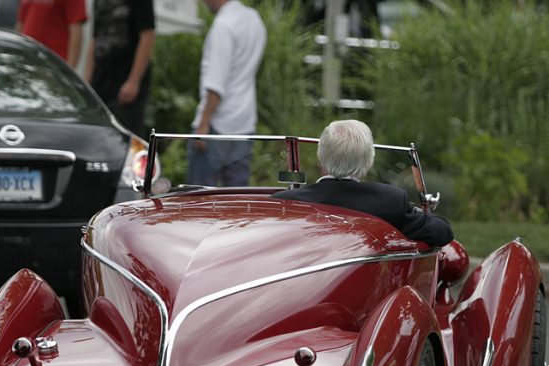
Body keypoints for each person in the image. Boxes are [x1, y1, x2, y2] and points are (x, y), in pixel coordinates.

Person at [273, 120, 454, 247]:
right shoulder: (389, 201)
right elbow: (442, 232)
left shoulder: (285, 203)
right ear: (367, 164)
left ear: (321, 159)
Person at [187, 0, 267, 187]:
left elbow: (216, 83)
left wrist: (203, 123)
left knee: (199, 201)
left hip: (217, 124)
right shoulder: (253, 19)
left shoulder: (223, 25)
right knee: (237, 200)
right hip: (244, 122)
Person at [84, 0, 155, 137]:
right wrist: (86, 81)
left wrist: (134, 81)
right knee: (96, 133)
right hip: (100, 80)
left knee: (123, 136)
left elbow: (147, 36)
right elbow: (94, 38)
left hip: (124, 81)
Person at [16, 0, 86, 69]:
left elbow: (76, 30)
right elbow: (21, 23)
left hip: (53, 64)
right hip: (26, 58)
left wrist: (70, 68)